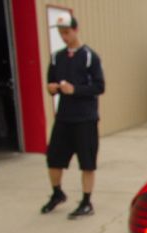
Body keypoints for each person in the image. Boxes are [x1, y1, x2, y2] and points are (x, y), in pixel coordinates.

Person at [41, 14, 105, 219]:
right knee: (53, 159)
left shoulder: (89, 56)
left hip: (85, 118)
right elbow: (51, 82)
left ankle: (87, 202)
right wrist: (52, 89)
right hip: (64, 118)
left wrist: (75, 89)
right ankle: (57, 193)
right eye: (61, 33)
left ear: (76, 30)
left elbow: (99, 86)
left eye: (67, 32)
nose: (64, 36)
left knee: (87, 162)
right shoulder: (56, 57)